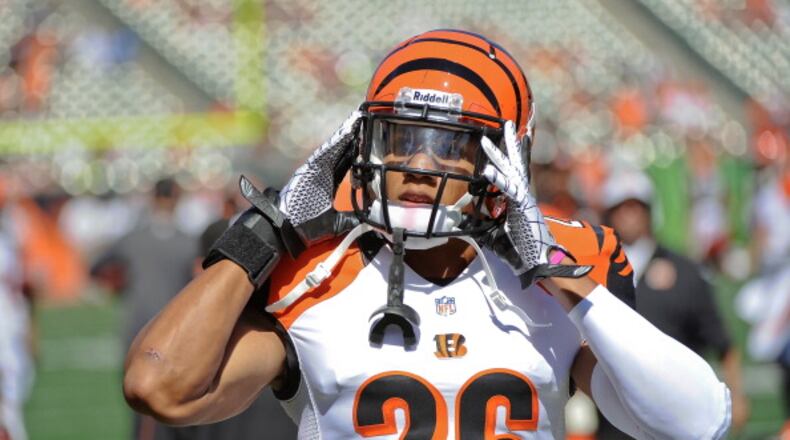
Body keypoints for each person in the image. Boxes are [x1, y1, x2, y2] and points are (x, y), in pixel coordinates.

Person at [122, 30, 731, 438]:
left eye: (448, 146)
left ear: (503, 159)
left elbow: (695, 423)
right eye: (401, 138)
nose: (417, 164)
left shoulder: (563, 272)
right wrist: (266, 231)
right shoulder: (314, 272)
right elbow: (160, 388)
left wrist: (554, 270)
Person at [599, 169, 749, 436]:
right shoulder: (594, 271)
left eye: (636, 207)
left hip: (677, 410)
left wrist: (736, 395)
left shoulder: (684, 271)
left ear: (650, 211)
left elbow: (721, 340)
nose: (628, 215)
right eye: (620, 208)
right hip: (616, 416)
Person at [92, 178, 197, 440]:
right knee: (177, 406)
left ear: (153, 198)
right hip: (177, 330)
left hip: (139, 328)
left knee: (141, 408)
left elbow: (97, 266)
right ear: (177, 199)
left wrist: (118, 286)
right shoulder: (188, 242)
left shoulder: (133, 239)